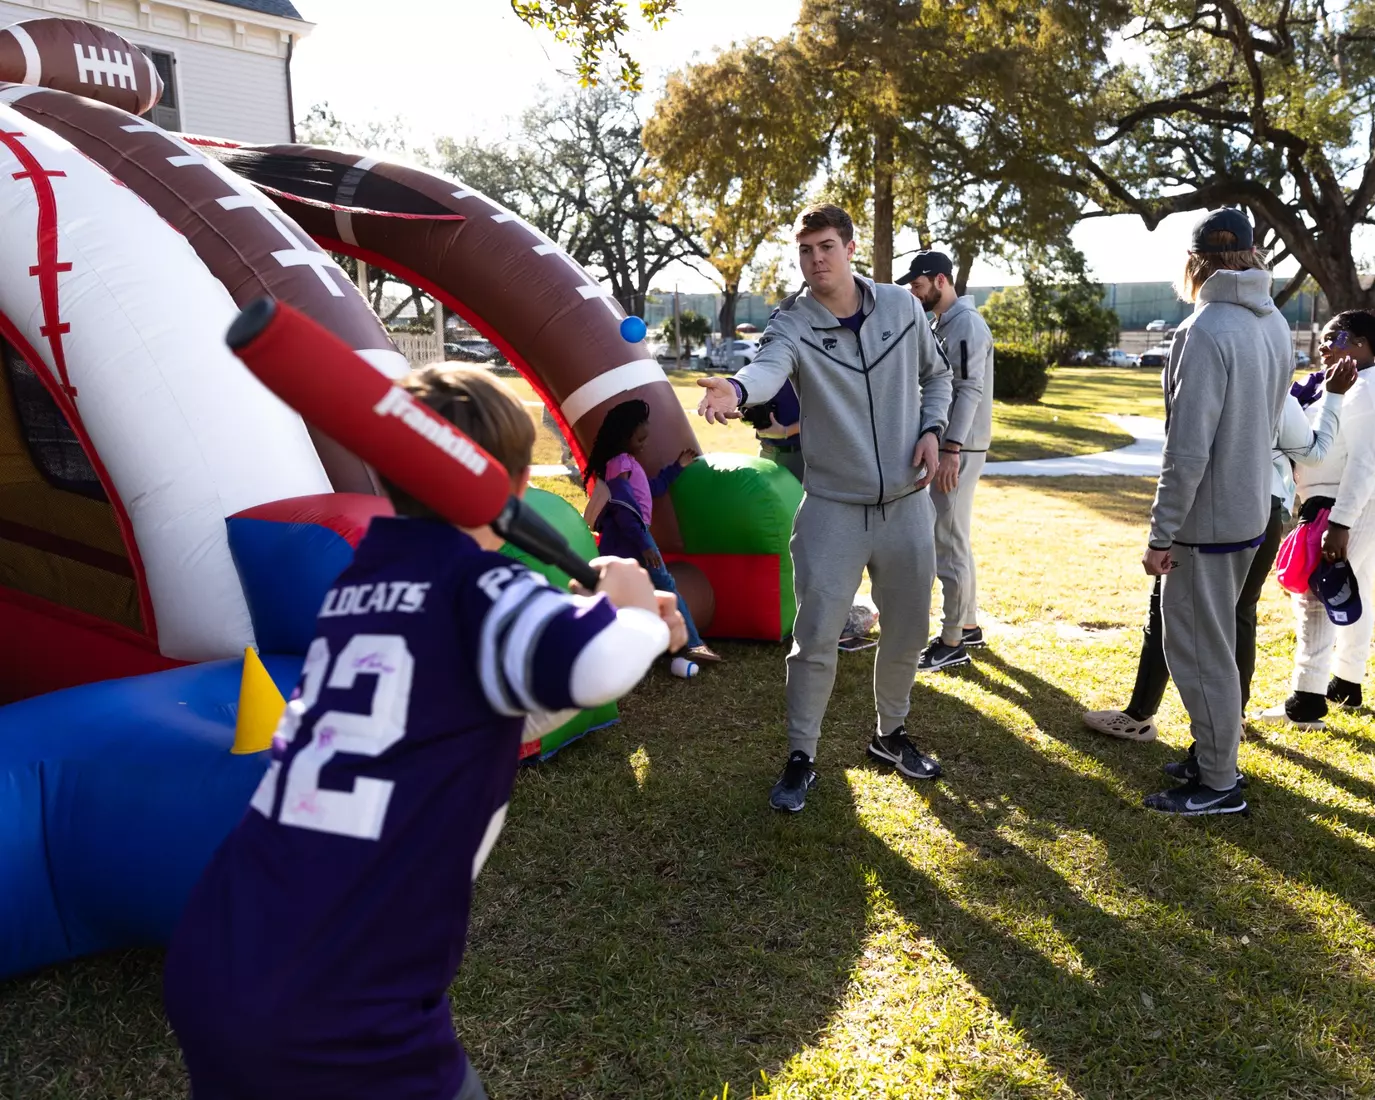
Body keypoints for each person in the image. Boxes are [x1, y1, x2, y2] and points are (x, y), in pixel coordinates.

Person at [162, 365, 684, 1100]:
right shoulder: (480, 585)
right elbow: (589, 666)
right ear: (505, 486)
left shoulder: (358, 587)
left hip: (223, 948)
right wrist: (628, 612)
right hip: (343, 999)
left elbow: (486, 709)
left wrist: (600, 627)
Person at [696, 202, 953, 813]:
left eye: (826, 248)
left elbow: (938, 377)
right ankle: (801, 755)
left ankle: (890, 735)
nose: (816, 261)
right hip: (833, 508)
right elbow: (766, 369)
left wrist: (934, 429)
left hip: (908, 505)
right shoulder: (793, 321)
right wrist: (734, 389)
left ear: (850, 247)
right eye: (806, 251)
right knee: (813, 637)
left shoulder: (901, 306)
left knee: (909, 632)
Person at [1083, 359, 1352, 744]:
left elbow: (1181, 457)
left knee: (1169, 608)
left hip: (1210, 510)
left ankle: (1145, 714)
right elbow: (1314, 452)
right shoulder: (1273, 385)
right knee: (1238, 612)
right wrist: (1335, 399)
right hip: (1262, 511)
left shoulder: (1202, 373)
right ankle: (1230, 719)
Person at [1138, 208, 1292, 815]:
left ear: (1195, 262)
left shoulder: (1205, 330)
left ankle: (1219, 781)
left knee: (1202, 654)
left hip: (1208, 522)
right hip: (1254, 507)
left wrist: (1162, 532)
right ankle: (1211, 756)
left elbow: (1187, 450)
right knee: (1216, 646)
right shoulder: (1273, 320)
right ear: (1250, 256)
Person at [1259, 310, 1375, 727]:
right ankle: (1346, 683)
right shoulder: (1358, 385)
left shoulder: (1363, 388)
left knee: (1315, 598)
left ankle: (1305, 703)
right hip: (1345, 505)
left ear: (1362, 343)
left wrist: (1339, 524)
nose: (1324, 346)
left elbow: (1366, 462)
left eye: (1336, 338)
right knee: (1355, 593)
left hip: (1344, 506)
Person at [898, 249, 994, 671]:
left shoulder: (966, 324)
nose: (914, 294)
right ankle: (967, 625)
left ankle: (952, 640)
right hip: (959, 444)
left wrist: (951, 447)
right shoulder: (946, 323)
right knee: (956, 538)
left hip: (961, 446)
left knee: (948, 542)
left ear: (940, 280)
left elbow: (969, 388)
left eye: (918, 286)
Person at [581, 397, 722, 669]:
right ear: (624, 436)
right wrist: (642, 542)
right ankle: (692, 645)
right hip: (632, 536)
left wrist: (677, 467)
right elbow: (623, 506)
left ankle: (612, 645)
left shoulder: (628, 463)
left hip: (628, 535)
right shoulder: (619, 464)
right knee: (665, 586)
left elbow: (653, 489)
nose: (644, 444)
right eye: (640, 439)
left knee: (617, 590)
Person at [745, 377, 804, 481]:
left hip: (796, 456)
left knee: (794, 496)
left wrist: (787, 431)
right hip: (765, 451)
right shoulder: (765, 367)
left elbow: (821, 417)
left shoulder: (807, 370)